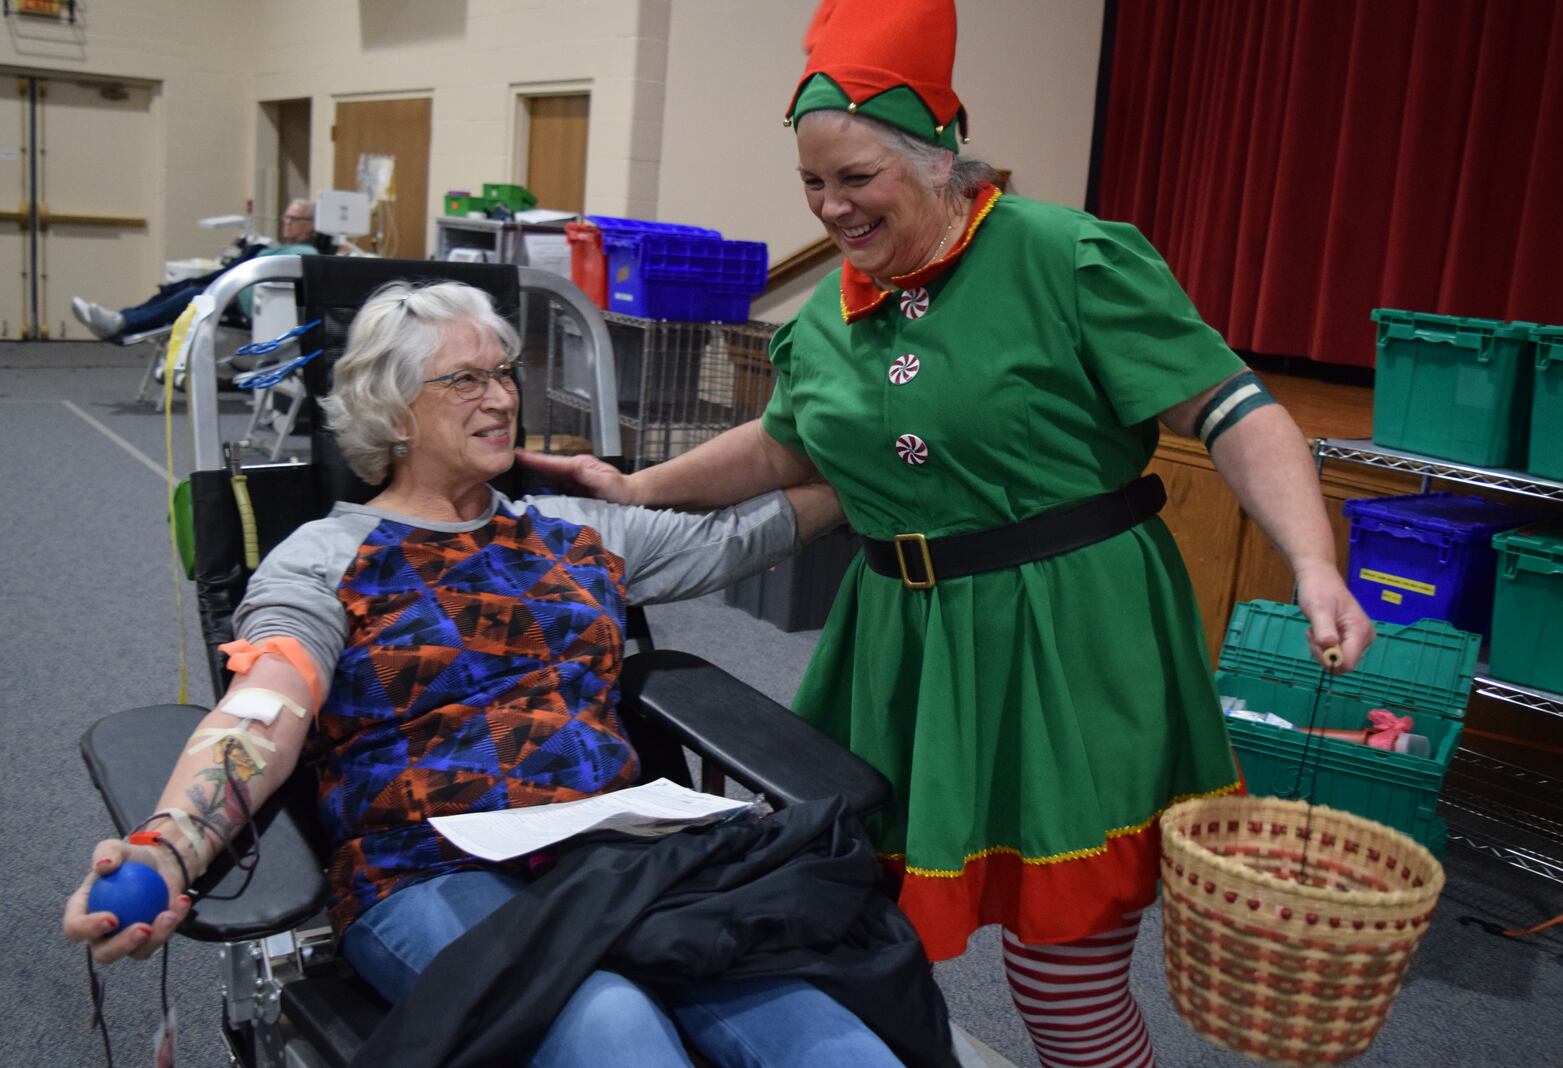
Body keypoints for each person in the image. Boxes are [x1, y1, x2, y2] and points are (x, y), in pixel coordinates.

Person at [517, 2, 1378, 1066]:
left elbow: (1231, 411)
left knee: (1061, 972)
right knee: (859, 925)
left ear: (938, 163)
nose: (832, 207)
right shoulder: (829, 315)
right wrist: (640, 488)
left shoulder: (1064, 257)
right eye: (812, 185)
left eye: (856, 178)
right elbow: (787, 449)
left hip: (1068, 636)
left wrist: (1311, 562)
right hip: (899, 648)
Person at [62, 280, 928, 1067]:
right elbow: (263, 711)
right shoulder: (325, 558)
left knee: (836, 1048)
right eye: (465, 380)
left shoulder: (573, 531)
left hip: (617, 863)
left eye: (505, 373)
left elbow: (750, 532)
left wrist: (922, 466)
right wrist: (171, 846)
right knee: (614, 1031)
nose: (502, 396)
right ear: (394, 411)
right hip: (427, 871)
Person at [71, 198, 335, 341]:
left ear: (310, 225)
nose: (287, 223)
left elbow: (270, 281)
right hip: (234, 290)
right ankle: (121, 319)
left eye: (295, 218)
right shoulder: (277, 247)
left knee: (192, 296)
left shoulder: (306, 254)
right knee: (185, 287)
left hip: (246, 303)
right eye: (286, 217)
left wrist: (234, 290)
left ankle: (123, 323)